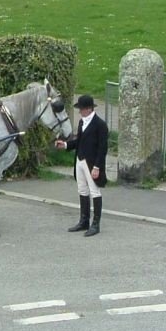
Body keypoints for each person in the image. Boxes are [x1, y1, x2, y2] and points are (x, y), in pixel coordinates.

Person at [55, 94, 108, 236]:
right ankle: (84, 220)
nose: (80, 111)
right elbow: (79, 141)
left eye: (82, 109)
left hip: (91, 163)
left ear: (89, 109)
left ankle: (95, 224)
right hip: (80, 161)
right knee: (82, 190)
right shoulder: (82, 122)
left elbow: (102, 149)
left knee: (94, 191)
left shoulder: (100, 125)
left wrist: (97, 167)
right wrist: (66, 145)